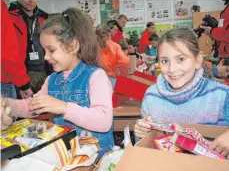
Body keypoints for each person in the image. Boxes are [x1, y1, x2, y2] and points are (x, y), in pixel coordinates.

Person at [5, 8, 114, 158]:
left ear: (73, 46)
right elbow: (31, 106)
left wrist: (63, 107)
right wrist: (6, 103)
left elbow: (104, 121)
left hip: (97, 159)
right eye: (44, 51)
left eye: (51, 50)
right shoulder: (51, 80)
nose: (46, 57)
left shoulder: (96, 76)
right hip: (67, 156)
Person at [134, 27, 229, 158]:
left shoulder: (221, 95)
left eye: (180, 59)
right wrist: (141, 133)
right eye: (165, 61)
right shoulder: (151, 97)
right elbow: (144, 148)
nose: (172, 69)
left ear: (197, 60)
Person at [9, 0, 51, 94]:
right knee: (26, 107)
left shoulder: (44, 18)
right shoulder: (9, 18)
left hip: (44, 70)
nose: (32, 1)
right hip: (22, 73)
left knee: (45, 106)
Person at [1, 0, 33, 99]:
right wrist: (23, 83)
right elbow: (7, 50)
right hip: (4, 79)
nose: (31, 0)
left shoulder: (43, 17)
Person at [96, 24, 130, 89]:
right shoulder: (115, 46)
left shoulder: (92, 47)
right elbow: (125, 62)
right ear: (109, 33)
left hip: (95, 79)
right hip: (110, 79)